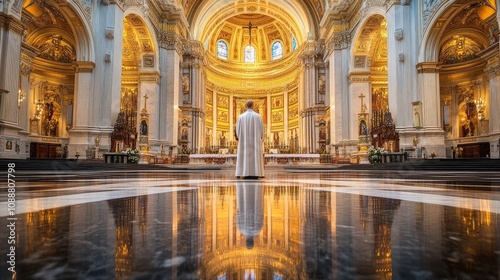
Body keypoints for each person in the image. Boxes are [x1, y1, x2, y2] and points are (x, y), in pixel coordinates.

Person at [235, 100, 264, 179]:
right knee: (255, 156)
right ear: (253, 106)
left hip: (243, 142)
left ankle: (244, 172)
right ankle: (256, 172)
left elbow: (237, 131)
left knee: (244, 156)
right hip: (255, 142)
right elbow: (262, 130)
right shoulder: (258, 116)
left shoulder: (240, 117)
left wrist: (239, 137)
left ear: (246, 106)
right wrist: (261, 139)